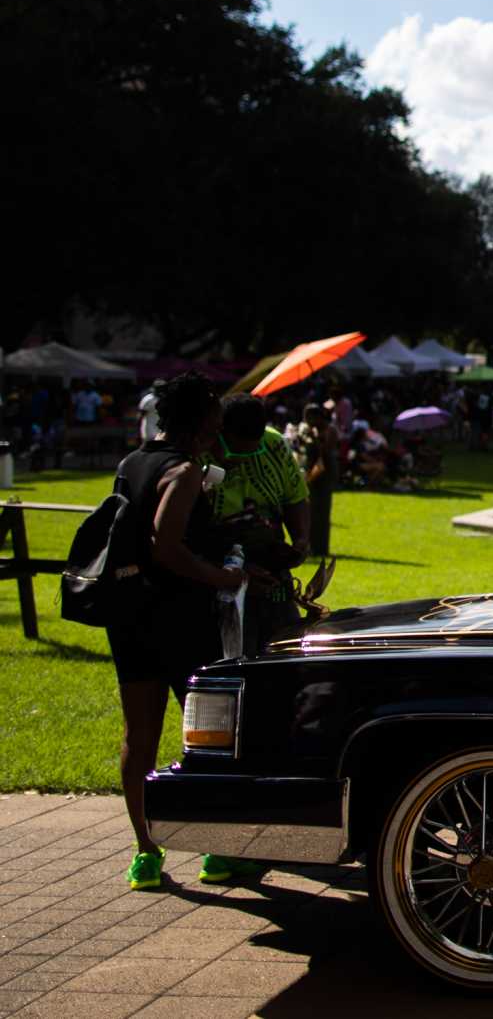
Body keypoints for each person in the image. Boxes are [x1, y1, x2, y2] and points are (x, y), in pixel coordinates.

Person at [109, 373, 271, 890]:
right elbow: (165, 544)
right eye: (214, 415)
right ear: (201, 420)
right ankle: (217, 853)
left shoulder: (132, 461)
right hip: (180, 620)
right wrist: (224, 576)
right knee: (209, 739)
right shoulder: (181, 469)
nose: (220, 424)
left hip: (131, 617)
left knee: (139, 737)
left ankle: (145, 853)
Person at [210, 394, 311, 654]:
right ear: (221, 431)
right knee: (233, 654)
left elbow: (295, 496)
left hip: (272, 565)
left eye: (253, 450)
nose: (243, 458)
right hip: (219, 568)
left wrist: (300, 539)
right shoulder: (201, 451)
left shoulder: (274, 444)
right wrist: (235, 572)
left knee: (284, 647)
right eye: (237, 450)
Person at [295, 402, 342, 562]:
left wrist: (314, 438)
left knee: (322, 511)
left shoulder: (330, 430)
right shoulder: (310, 431)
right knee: (311, 511)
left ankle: (321, 548)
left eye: (309, 417)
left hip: (325, 473)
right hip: (312, 474)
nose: (306, 420)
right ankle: (312, 546)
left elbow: (326, 450)